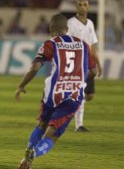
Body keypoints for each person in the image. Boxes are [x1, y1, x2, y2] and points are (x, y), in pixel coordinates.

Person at [15, 13, 97, 169]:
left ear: (51, 29)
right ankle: (35, 153)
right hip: (73, 96)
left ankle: (26, 156)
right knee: (53, 135)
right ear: (67, 28)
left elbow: (35, 67)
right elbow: (93, 71)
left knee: (42, 124)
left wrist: (21, 86)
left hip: (53, 93)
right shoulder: (84, 45)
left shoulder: (50, 43)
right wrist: (78, 79)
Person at [67, 0, 102, 132]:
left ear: (88, 7)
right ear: (76, 7)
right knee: (81, 92)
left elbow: (93, 46)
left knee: (90, 95)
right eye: (80, 4)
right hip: (77, 60)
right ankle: (79, 125)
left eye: (85, 4)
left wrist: (98, 63)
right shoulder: (71, 23)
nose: (82, 7)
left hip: (89, 60)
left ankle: (71, 103)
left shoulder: (90, 24)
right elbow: (66, 41)